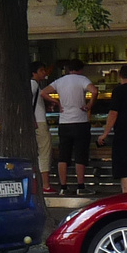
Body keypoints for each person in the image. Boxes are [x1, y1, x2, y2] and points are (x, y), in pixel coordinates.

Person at [42, 60, 96, 196]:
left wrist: (56, 102)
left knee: (63, 156)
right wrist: (89, 105)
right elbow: (94, 91)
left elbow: (43, 92)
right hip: (80, 121)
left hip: (64, 122)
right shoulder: (82, 79)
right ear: (80, 69)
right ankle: (80, 186)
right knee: (80, 155)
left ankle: (63, 187)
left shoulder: (60, 81)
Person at [97, 64, 127, 193]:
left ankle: (126, 195)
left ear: (120, 76)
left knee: (125, 168)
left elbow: (113, 113)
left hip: (122, 133)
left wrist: (105, 133)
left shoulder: (118, 91)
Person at [29, 61, 55, 195]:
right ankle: (45, 184)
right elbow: (28, 102)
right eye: (41, 71)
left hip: (37, 121)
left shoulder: (35, 85)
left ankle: (40, 183)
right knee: (45, 152)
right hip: (39, 122)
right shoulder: (33, 85)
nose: (44, 73)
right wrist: (33, 120)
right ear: (34, 73)